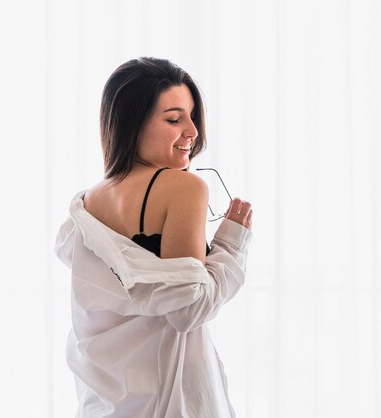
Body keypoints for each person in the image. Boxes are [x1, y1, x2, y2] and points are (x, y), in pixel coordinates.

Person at [55, 57, 253, 418]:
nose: (192, 132)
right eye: (174, 119)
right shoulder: (184, 188)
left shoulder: (88, 202)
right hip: (166, 401)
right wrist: (230, 245)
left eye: (193, 116)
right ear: (132, 124)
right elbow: (188, 309)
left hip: (106, 401)